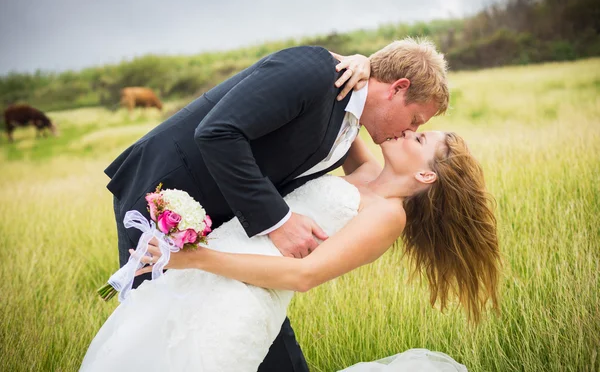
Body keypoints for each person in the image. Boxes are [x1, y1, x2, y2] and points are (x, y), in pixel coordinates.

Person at [101, 38, 450, 370]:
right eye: (415, 121)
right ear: (398, 88)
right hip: (165, 198)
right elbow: (217, 132)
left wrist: (365, 62)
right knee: (154, 332)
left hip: (234, 238)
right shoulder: (316, 71)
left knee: (245, 339)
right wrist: (279, 221)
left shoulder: (350, 129)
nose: (408, 130)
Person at [81, 129, 500, 371]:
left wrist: (196, 257)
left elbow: (305, 275)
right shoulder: (368, 171)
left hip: (242, 299)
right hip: (208, 268)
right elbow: (354, 107)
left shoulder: (389, 215)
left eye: (420, 136)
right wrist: (356, 63)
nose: (409, 129)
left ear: (426, 173)